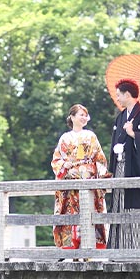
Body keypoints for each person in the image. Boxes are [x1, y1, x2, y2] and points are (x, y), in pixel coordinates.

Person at [107, 79, 140, 249]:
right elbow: (114, 143)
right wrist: (112, 168)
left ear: (128, 94)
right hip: (121, 168)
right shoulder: (121, 117)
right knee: (119, 206)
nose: (117, 99)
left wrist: (134, 134)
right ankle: (119, 249)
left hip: (137, 168)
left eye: (119, 95)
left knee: (138, 208)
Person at [51, 104, 108, 249]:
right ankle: (71, 246)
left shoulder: (91, 136)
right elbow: (56, 159)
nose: (84, 117)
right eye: (80, 114)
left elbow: (100, 159)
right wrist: (65, 165)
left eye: (85, 115)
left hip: (88, 178)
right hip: (70, 179)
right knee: (70, 211)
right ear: (72, 117)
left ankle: (91, 246)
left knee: (89, 210)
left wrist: (98, 175)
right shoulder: (65, 138)